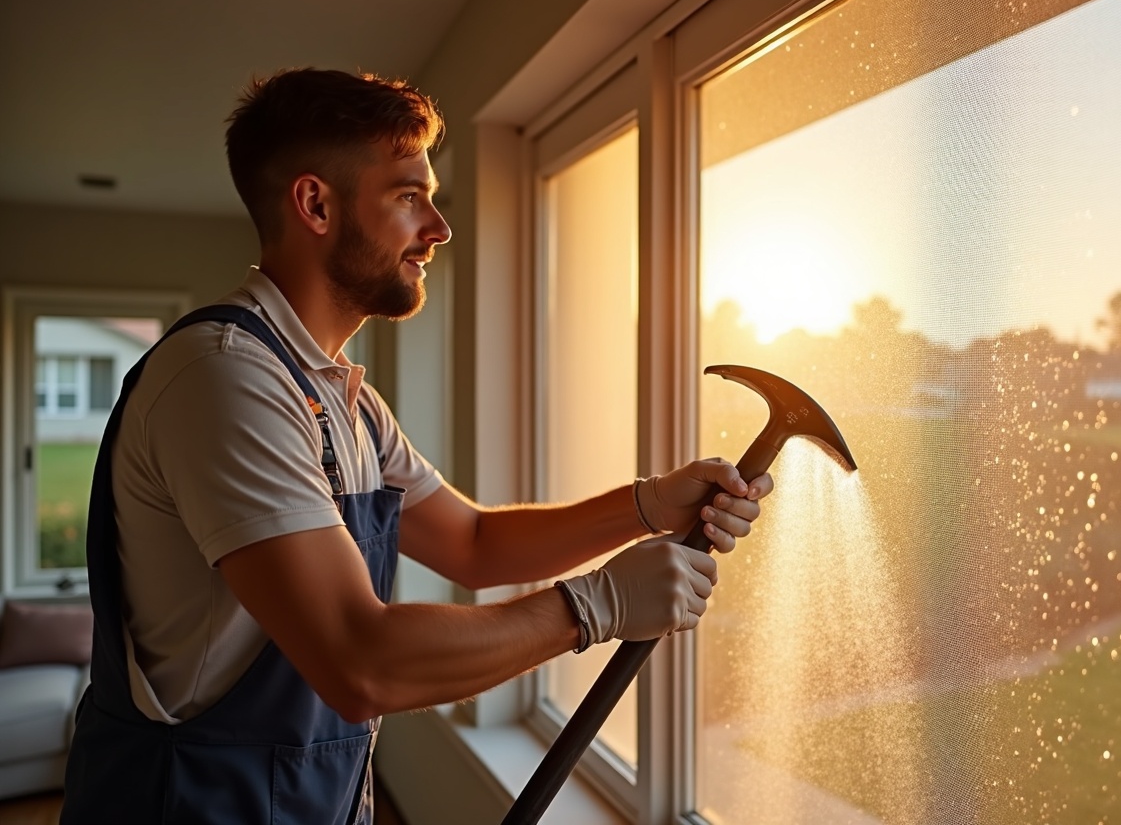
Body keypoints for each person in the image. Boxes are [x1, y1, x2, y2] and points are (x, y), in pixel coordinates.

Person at [60, 68, 772, 824]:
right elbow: (358, 661)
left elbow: (472, 542)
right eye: (408, 196)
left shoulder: (347, 402)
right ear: (316, 204)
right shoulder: (226, 381)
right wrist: (599, 603)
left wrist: (644, 504)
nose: (439, 228)